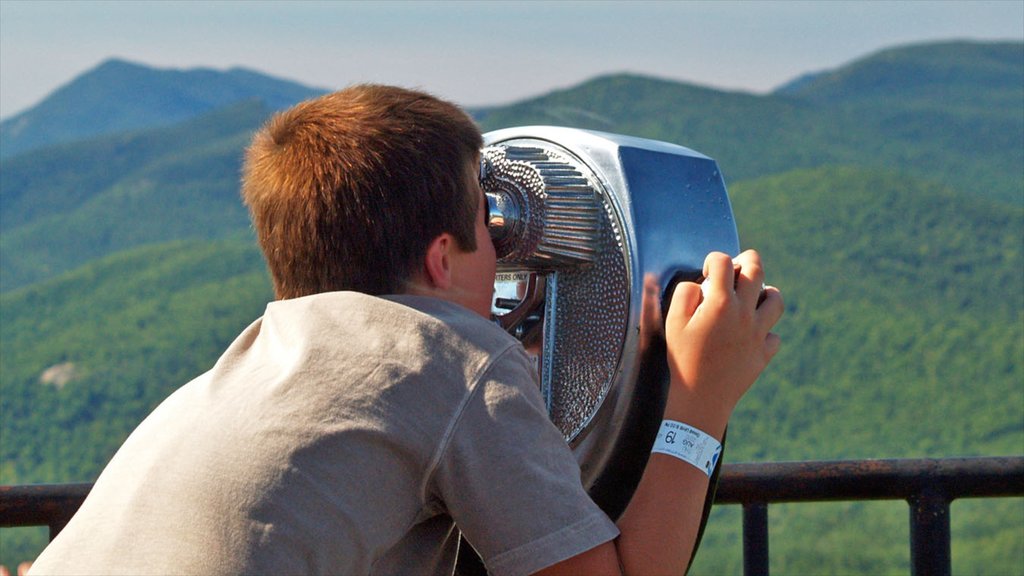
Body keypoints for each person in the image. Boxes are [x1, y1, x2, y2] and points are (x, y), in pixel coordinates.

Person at [29, 85, 783, 576]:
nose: (506, 250)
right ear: (440, 258)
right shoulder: (452, 363)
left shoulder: (247, 366)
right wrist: (697, 399)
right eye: (488, 229)